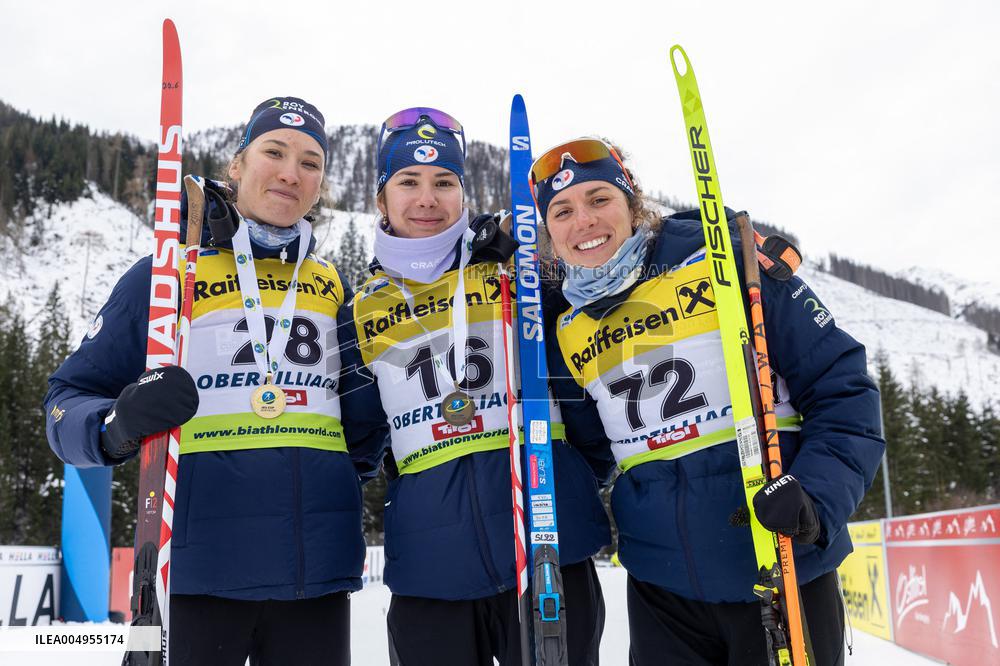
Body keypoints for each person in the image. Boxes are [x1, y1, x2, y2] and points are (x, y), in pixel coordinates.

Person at [43, 97, 387, 666]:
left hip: (317, 580)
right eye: (274, 152)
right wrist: (116, 424)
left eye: (310, 162)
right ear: (237, 164)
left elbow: (363, 421)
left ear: (322, 183)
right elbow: (65, 403)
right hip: (193, 575)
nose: (289, 173)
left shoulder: (332, 288)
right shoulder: (170, 272)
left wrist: (343, 475)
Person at [533, 137, 885, 665]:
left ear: (632, 203)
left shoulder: (723, 260)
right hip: (660, 589)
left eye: (599, 199)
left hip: (779, 559)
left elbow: (842, 387)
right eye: (562, 210)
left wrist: (817, 493)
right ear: (549, 233)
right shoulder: (568, 324)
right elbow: (588, 450)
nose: (583, 220)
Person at [339, 108, 612, 665]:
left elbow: (586, 378)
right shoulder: (361, 310)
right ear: (380, 198)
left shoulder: (521, 272)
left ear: (464, 194)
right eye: (408, 182)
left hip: (549, 546)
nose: (427, 198)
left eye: (444, 182)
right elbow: (356, 442)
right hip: (429, 570)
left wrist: (578, 478)